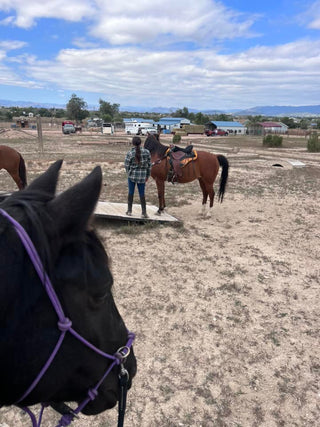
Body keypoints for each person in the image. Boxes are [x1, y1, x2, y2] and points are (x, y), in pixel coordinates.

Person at [124, 136, 151, 218]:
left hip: (132, 175)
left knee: (131, 192)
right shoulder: (147, 152)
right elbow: (149, 166)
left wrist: (129, 173)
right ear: (141, 143)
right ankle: (144, 213)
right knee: (142, 194)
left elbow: (126, 165)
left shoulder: (130, 153)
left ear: (133, 143)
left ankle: (129, 211)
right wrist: (147, 175)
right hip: (142, 176)